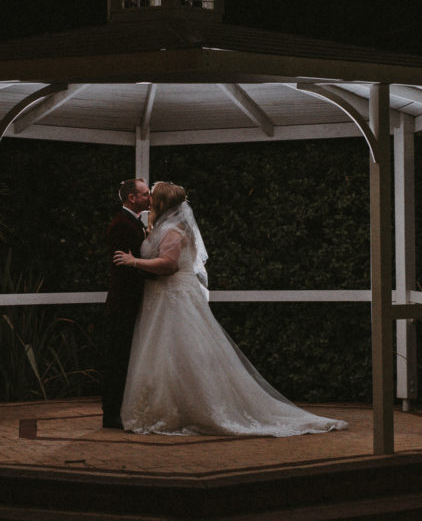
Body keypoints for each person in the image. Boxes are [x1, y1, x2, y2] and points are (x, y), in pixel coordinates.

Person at [113, 182, 348, 436]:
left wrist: (135, 261)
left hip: (173, 297)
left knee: (179, 353)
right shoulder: (164, 227)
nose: (148, 199)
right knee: (167, 354)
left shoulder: (172, 230)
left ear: (161, 203)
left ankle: (181, 410)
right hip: (163, 298)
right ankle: (168, 409)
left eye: (152, 195)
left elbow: (169, 264)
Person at [101, 178, 151, 429]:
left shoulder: (133, 222)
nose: (149, 197)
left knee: (126, 358)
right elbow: (124, 267)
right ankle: (111, 414)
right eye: (144, 194)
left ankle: (121, 410)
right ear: (132, 198)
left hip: (132, 302)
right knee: (118, 358)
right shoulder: (121, 225)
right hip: (124, 303)